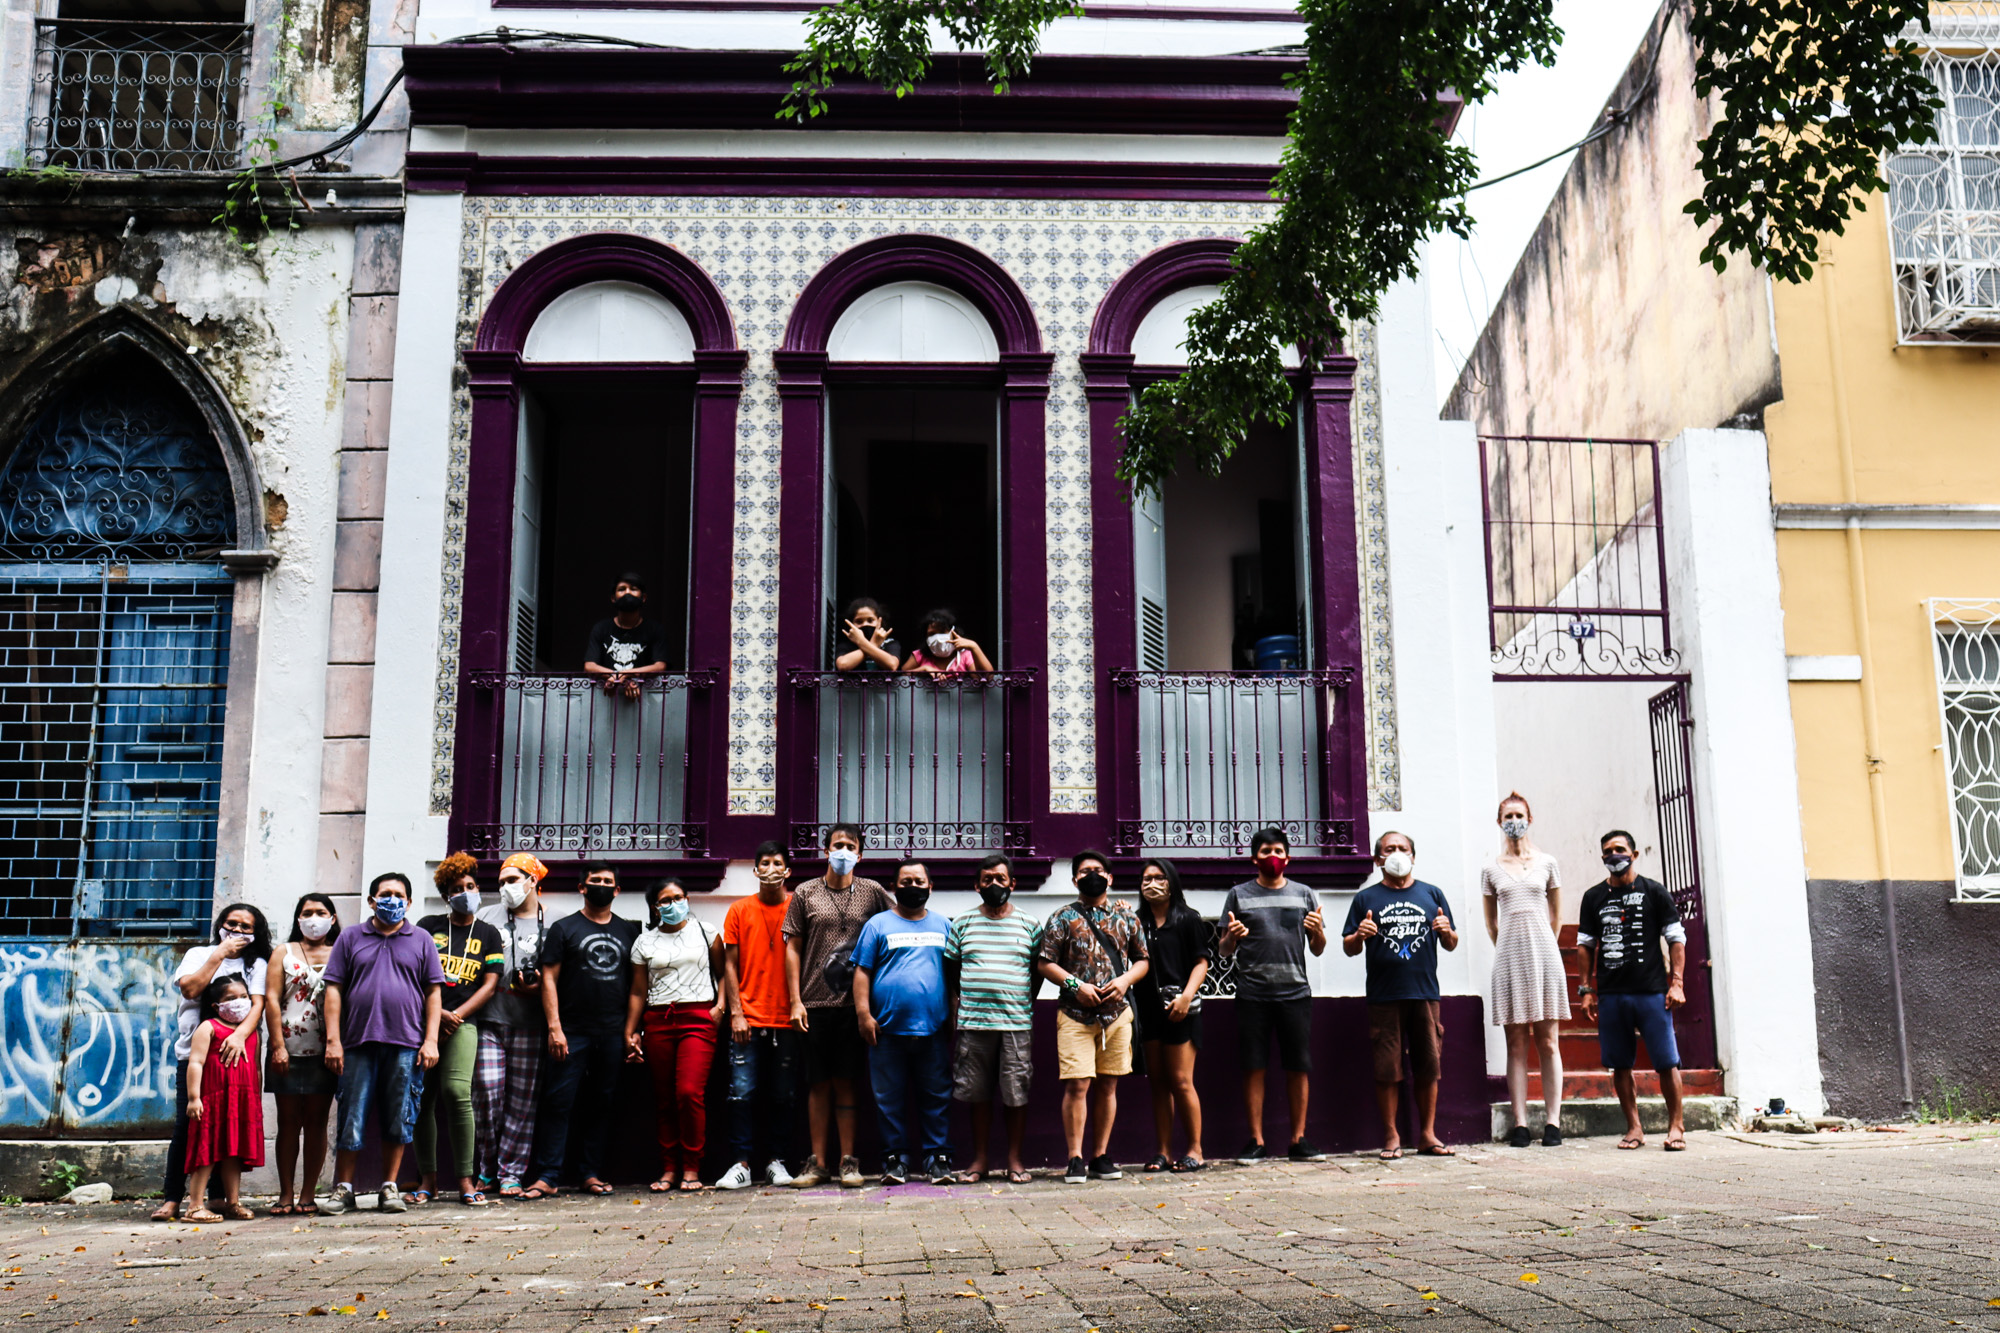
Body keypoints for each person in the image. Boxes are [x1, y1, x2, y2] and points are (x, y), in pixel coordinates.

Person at [318, 872, 445, 1215]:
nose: (392, 900)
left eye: (399, 894)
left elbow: (433, 992)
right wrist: (334, 1041)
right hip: (357, 1043)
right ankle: (343, 1188)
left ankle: (389, 1187)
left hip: (406, 1043)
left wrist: (430, 1040)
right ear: (372, 901)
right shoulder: (350, 937)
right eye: (385, 894)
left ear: (410, 902)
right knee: (351, 1115)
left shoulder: (421, 939)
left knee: (399, 1116)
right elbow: (333, 990)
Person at [783, 823, 892, 1189]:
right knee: (818, 1084)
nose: (842, 851)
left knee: (847, 1082)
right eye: (836, 845)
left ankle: (848, 1161)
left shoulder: (874, 892)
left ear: (859, 854)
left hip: (855, 1005)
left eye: (850, 846)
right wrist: (795, 1000)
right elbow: (793, 946)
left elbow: (890, 931)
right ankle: (817, 1163)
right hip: (814, 1002)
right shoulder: (805, 892)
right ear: (825, 849)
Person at [524, 862, 641, 1198]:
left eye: (608, 881)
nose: (601, 885)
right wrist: (554, 1028)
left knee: (602, 1102)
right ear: (582, 887)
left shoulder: (629, 932)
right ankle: (547, 1175)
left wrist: (633, 1031)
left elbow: (637, 986)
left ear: (617, 890)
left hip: (613, 1032)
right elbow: (548, 979)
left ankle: (590, 1173)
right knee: (558, 1102)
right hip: (571, 1031)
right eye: (595, 881)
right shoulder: (564, 929)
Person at [1035, 849, 1149, 1184]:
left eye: (1098, 870)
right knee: (1077, 1085)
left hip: (1117, 1014)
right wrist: (1075, 985)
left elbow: (1142, 959)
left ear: (1111, 877)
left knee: (1109, 1086)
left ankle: (1100, 1155)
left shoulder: (1128, 917)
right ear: (1074, 879)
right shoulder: (1061, 917)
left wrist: (1125, 980)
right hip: (1075, 1014)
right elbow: (1045, 962)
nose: (1092, 875)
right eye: (1084, 871)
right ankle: (1074, 1158)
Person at [1343, 831, 1460, 1159]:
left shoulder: (1432, 894)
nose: (1397, 853)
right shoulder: (1366, 899)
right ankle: (1392, 1136)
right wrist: (1359, 936)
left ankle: (1427, 1135)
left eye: (1403, 848)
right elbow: (1349, 947)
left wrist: (1446, 932)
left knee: (1429, 1066)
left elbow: (1451, 943)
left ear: (1413, 856)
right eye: (1389, 849)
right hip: (1384, 996)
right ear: (1378, 859)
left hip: (1425, 993)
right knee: (1387, 1068)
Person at [1216, 827, 1328, 1163]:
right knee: (1254, 1067)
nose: (1272, 857)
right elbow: (1223, 950)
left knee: (1298, 1066)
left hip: (1296, 992)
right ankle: (1256, 1140)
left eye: (1278, 850)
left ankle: (1299, 1139)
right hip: (1252, 994)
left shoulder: (1305, 893)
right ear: (1254, 858)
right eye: (1265, 852)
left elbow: (1319, 949)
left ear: (1288, 857)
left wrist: (1318, 932)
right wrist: (1231, 938)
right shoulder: (1238, 894)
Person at [155, 903, 270, 1222]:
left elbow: (258, 1005)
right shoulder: (198, 954)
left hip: (237, 1054)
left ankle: (220, 1198)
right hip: (195, 1052)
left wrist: (239, 1035)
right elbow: (190, 988)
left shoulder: (256, 963)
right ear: (220, 925)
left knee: (229, 1124)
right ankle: (173, 1198)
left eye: (246, 927)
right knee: (188, 1125)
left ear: (255, 932)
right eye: (232, 924)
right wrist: (218, 954)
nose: (238, 931)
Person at [1577, 829, 1690, 1152]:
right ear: (1602, 858)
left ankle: (1677, 1127)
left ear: (1634, 854)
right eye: (1608, 851)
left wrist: (1677, 983)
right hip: (1612, 996)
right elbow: (1585, 946)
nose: (1615, 855)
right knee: (1619, 1064)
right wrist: (1586, 988)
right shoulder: (1593, 898)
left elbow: (1676, 939)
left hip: (1652, 993)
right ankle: (1634, 1128)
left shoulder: (1654, 892)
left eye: (1621, 849)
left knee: (1667, 1062)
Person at [853, 860, 955, 1186]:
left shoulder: (944, 926)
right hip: (886, 1031)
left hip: (934, 1030)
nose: (913, 886)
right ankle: (895, 1161)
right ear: (894, 887)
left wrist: (955, 1012)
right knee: (888, 1101)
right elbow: (862, 972)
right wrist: (863, 1014)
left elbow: (954, 975)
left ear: (930, 886)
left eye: (919, 881)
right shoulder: (877, 925)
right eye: (906, 881)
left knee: (937, 1097)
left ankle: (937, 1160)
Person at [414, 853, 504, 1205]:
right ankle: (428, 1179)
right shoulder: (428, 925)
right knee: (423, 1099)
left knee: (456, 1093)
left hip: (464, 1024)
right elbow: (414, 974)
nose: (465, 893)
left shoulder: (488, 933)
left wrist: (457, 1014)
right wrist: (437, 1014)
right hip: (424, 1023)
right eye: (457, 889)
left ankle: (466, 1180)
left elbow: (490, 982)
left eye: (470, 886)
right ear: (446, 895)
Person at [1482, 792, 1570, 1147]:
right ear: (1499, 821)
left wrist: (1544, 946)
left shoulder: (1547, 862)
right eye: (1508, 815)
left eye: (1519, 814)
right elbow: (1491, 923)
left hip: (1544, 955)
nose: (1513, 820)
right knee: (1515, 1043)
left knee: (1548, 1041)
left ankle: (1553, 1121)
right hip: (1509, 957)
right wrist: (1509, 949)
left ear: (1529, 818)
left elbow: (1557, 915)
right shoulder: (1490, 869)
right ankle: (1520, 1123)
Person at [945, 854, 1040, 1184]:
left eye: (1001, 879)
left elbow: (1036, 974)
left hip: (1016, 1024)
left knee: (1016, 1095)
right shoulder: (962, 923)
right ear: (977, 885)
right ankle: (980, 1160)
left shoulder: (1030, 924)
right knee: (977, 1095)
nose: (994, 885)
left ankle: (1015, 1160)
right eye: (987, 880)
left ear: (1012, 883)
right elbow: (952, 971)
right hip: (974, 1024)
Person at [626, 877, 724, 1192]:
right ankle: (669, 1168)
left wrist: (720, 1007)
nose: (673, 905)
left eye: (678, 897)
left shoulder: (707, 933)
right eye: (665, 900)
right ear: (655, 907)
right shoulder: (644, 942)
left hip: (698, 1018)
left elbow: (724, 974)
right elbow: (639, 991)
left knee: (689, 1092)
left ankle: (692, 1168)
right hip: (658, 1020)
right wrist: (632, 1029)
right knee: (665, 1097)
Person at [720, 841, 802, 1190]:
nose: (771, 869)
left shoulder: (798, 908)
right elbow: (729, 964)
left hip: (788, 1018)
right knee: (741, 1093)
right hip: (749, 1019)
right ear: (755, 870)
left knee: (783, 1095)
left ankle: (776, 1162)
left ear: (788, 871)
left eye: (777, 863)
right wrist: (736, 1014)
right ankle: (740, 1164)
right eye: (764, 863)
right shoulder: (739, 909)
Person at [473, 852, 550, 1197]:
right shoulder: (485, 917)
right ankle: (487, 1169)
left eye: (513, 880)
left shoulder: (555, 921)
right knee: (487, 1094)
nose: (506, 887)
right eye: (502, 881)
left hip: (531, 1023)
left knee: (522, 1102)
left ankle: (510, 1174)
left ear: (533, 881)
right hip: (490, 1019)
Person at [265, 894, 339, 1216]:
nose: (313, 918)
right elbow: (271, 998)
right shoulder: (283, 952)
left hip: (327, 1052)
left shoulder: (342, 952)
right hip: (288, 1050)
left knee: (317, 1123)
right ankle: (285, 1194)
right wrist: (277, 1045)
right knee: (288, 1122)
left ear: (332, 918)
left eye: (320, 912)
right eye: (307, 912)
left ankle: (308, 1194)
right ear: (297, 918)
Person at [1135, 858, 1210, 1173]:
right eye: (1146, 878)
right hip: (1148, 1010)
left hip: (1181, 1008)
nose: (1152, 883)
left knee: (1181, 1080)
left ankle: (1196, 1150)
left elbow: (1201, 962)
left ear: (1172, 882)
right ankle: (1162, 1151)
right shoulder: (1137, 920)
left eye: (1159, 877)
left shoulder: (1187, 919)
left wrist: (1186, 996)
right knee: (1158, 1083)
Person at [178, 976, 264, 1223]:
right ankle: (195, 1206)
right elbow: (195, 1063)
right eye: (231, 998)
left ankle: (232, 1202)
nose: (240, 1002)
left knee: (233, 1152)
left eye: (244, 997)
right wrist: (194, 1098)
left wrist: (255, 1100)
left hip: (241, 1102)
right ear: (216, 1006)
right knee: (206, 1150)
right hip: (213, 1100)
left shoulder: (251, 1033)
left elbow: (255, 1067)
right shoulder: (208, 1027)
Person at [583, 571, 668, 699]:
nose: (627, 592)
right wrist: (622, 678)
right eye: (622, 589)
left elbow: (660, 666)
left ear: (643, 597)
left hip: (647, 700)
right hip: (605, 700)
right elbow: (589, 666)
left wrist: (623, 675)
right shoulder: (601, 628)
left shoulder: (654, 629)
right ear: (613, 598)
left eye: (633, 589)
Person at [901, 607, 994, 674]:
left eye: (942, 632)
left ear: (953, 632)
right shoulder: (920, 655)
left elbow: (986, 678)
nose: (937, 637)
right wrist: (924, 669)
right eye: (932, 634)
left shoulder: (964, 656)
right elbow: (902, 676)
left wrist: (974, 647)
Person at [835, 596, 902, 671]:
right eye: (859, 621)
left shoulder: (890, 643)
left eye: (870, 620)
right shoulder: (846, 645)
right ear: (851, 624)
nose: (865, 624)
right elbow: (843, 665)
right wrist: (874, 644)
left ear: (879, 621)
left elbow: (892, 665)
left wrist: (862, 642)